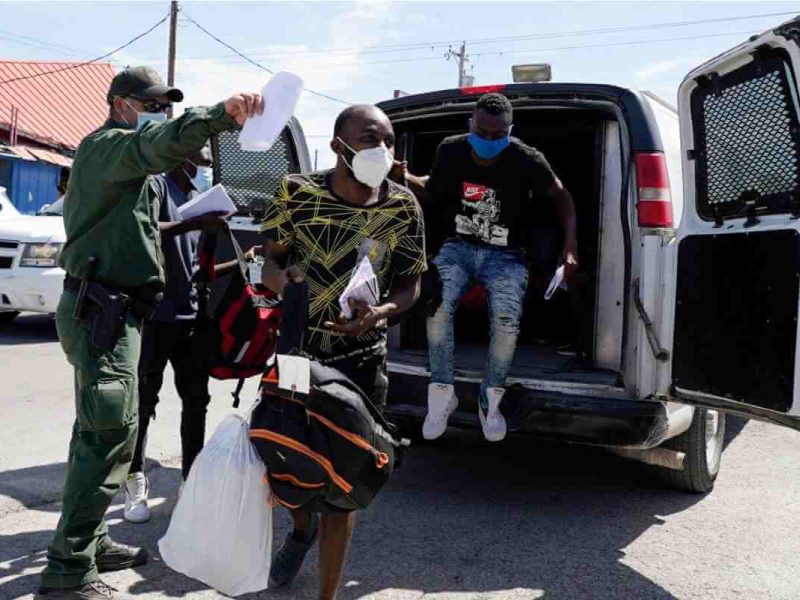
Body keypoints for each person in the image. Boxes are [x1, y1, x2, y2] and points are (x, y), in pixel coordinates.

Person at [38, 65, 263, 600]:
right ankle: (68, 570)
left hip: (120, 312)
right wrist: (216, 115)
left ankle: (91, 541)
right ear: (120, 103)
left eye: (165, 104)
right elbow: (158, 145)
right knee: (105, 436)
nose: (158, 111)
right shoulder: (108, 147)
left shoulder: (127, 165)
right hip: (103, 312)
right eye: (151, 103)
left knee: (110, 434)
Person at [258, 104, 426, 600]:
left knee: (346, 481)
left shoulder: (403, 206)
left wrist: (380, 314)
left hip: (362, 358)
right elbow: (271, 260)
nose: (383, 151)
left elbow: (412, 284)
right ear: (338, 146)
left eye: (390, 142)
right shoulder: (296, 191)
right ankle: (300, 531)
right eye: (371, 139)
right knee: (290, 461)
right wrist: (281, 282)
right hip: (296, 353)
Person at [401, 92, 578, 443]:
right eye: (482, 132)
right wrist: (405, 176)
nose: (489, 140)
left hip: (507, 254)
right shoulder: (450, 150)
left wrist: (570, 245)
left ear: (510, 130)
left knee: (507, 322)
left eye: (499, 135)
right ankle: (441, 393)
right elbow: (433, 190)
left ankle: (490, 398)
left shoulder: (527, 158)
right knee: (436, 308)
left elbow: (562, 196)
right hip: (458, 247)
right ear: (471, 124)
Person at [123, 146, 258, 523]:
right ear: (180, 159)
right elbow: (144, 232)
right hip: (155, 317)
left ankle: (190, 480)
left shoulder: (200, 202)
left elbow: (201, 272)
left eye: (207, 164)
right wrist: (194, 225)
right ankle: (135, 480)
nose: (202, 169)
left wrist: (241, 261)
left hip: (193, 319)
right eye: (199, 162)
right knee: (144, 404)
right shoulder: (158, 190)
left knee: (195, 402)